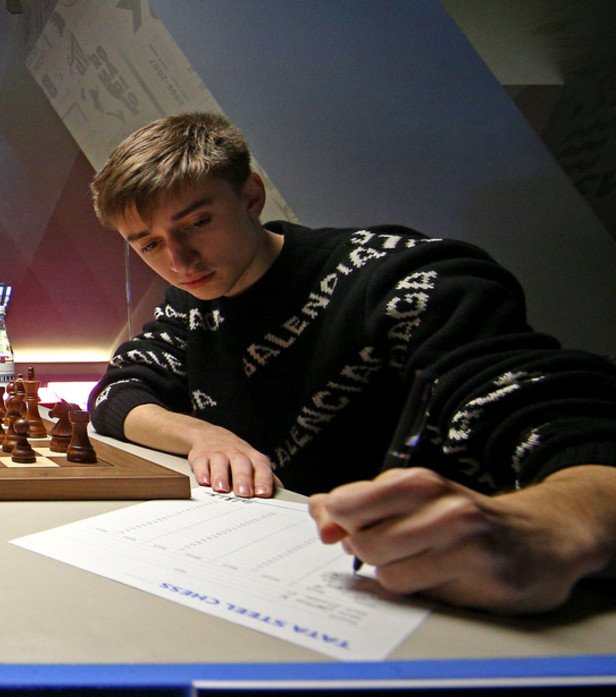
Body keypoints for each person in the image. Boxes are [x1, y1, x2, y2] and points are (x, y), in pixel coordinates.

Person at [87, 112, 616, 614]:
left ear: (250, 197)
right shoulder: (194, 300)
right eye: (150, 243)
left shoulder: (396, 280)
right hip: (275, 578)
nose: (179, 262)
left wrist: (559, 525)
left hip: (424, 597)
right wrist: (204, 437)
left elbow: (550, 413)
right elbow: (118, 394)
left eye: (198, 223)